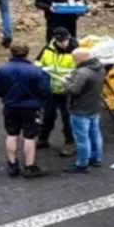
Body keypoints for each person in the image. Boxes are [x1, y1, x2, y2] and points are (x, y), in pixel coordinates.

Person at [0, 43, 51, 178]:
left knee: (11, 134)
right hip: (31, 107)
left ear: (11, 53)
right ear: (27, 53)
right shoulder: (36, 71)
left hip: (11, 106)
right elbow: (45, 90)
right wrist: (39, 100)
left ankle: (12, 164)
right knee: (29, 137)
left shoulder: (2, 70)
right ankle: (29, 166)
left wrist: (7, 97)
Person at [62, 47, 107, 174]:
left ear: (80, 59)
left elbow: (73, 90)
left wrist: (66, 82)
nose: (73, 61)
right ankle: (96, 158)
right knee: (95, 134)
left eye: (74, 59)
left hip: (80, 109)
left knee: (82, 138)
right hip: (94, 106)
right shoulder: (100, 68)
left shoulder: (82, 72)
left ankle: (82, 163)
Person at [35, 27, 78, 156]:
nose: (62, 43)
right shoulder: (48, 49)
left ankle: (70, 143)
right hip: (51, 89)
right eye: (59, 41)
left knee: (68, 118)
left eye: (64, 41)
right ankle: (43, 138)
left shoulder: (76, 52)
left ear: (68, 38)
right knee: (47, 116)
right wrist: (42, 68)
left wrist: (71, 76)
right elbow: (37, 62)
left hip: (67, 90)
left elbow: (81, 69)